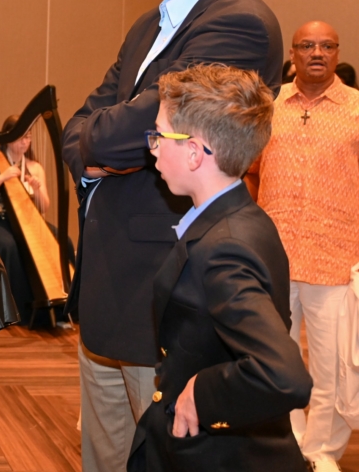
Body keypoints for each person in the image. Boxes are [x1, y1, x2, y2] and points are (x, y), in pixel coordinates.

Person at [61, 0, 283, 472]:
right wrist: (97, 150)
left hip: (163, 303)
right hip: (109, 295)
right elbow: (82, 124)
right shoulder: (149, 25)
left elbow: (125, 131)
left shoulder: (238, 22)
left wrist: (103, 143)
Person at [129, 64, 311, 472]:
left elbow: (284, 375)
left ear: (194, 152)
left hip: (215, 457)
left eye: (159, 135)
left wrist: (203, 392)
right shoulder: (243, 216)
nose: (152, 147)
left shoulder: (224, 247)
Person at [246, 21, 359, 472]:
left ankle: (322, 451)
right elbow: (249, 170)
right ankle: (288, 440)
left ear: (337, 53)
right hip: (274, 257)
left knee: (332, 366)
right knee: (278, 358)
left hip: (337, 256)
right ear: (292, 54)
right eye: (308, 45)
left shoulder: (356, 109)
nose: (317, 52)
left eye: (327, 46)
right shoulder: (269, 107)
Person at [0, 115, 50, 323]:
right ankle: (16, 311)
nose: (25, 142)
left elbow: (45, 206)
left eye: (28, 137)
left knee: (62, 241)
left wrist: (37, 189)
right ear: (7, 138)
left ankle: (56, 306)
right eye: (21, 137)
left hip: (26, 224)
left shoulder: (35, 167)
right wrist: (2, 177)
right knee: (9, 245)